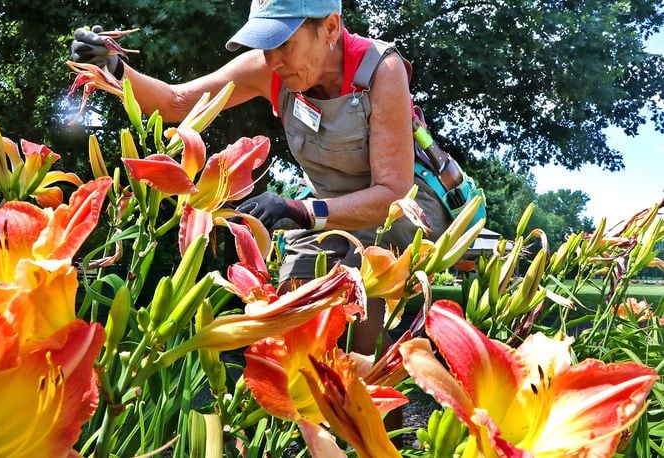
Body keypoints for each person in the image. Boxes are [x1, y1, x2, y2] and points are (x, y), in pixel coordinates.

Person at [71, 0, 453, 355]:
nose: (274, 62)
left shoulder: (381, 70)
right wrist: (114, 67)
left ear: (331, 26)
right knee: (288, 318)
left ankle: (379, 411)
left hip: (400, 215)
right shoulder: (268, 69)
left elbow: (391, 193)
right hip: (319, 210)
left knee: (360, 336)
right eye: (265, 46)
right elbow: (175, 103)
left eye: (284, 44)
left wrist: (297, 209)